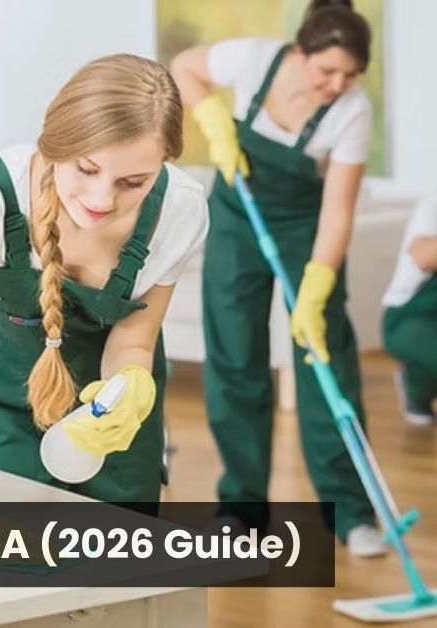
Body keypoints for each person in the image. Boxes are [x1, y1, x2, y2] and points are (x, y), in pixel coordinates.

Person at [0, 54, 209, 509]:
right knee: (9, 555)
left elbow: (135, 339)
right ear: (53, 144)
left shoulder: (181, 210)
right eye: (86, 169)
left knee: (124, 561)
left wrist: (128, 386)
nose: (101, 198)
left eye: (133, 182)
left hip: (103, 416)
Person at [170, 0, 385, 555]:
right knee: (235, 355)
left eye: (349, 75)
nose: (337, 84)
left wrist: (316, 288)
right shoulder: (254, 59)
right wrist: (214, 122)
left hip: (303, 227)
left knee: (323, 357)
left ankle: (352, 512)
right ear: (298, 52)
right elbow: (185, 67)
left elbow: (338, 210)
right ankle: (241, 507)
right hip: (238, 214)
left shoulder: (352, 113)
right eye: (326, 70)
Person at [382, 198, 437, 426]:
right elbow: (423, 256)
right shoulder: (432, 207)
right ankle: (416, 384)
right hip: (409, 317)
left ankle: (417, 382)